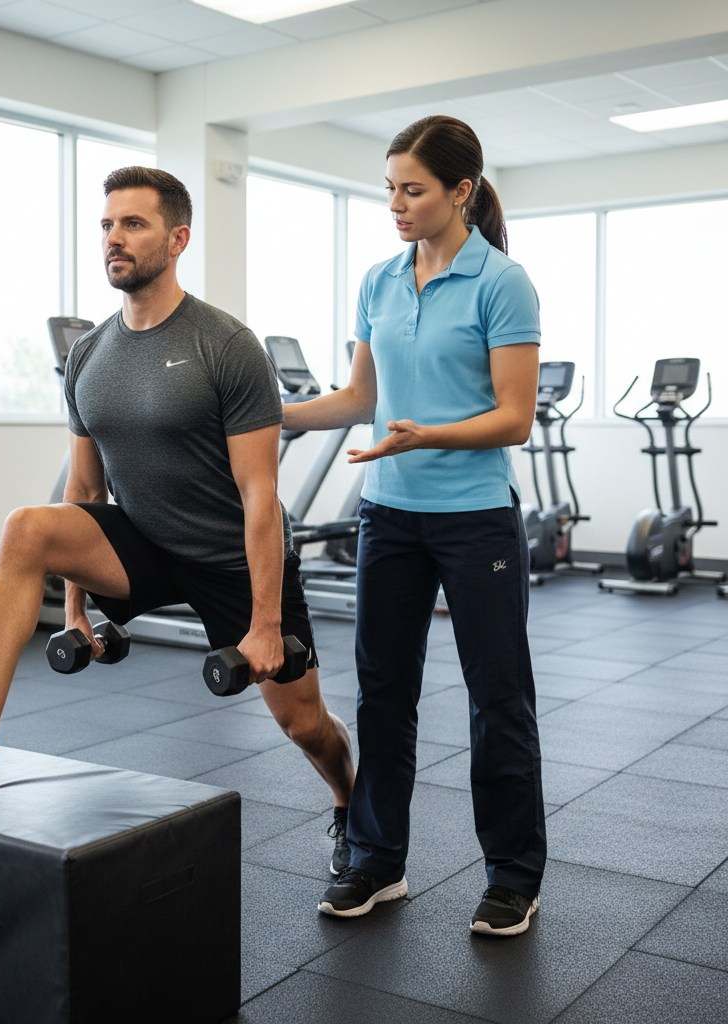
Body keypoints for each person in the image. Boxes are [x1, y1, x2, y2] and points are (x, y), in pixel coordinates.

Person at [0, 166, 356, 876]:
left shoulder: (226, 345)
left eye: (133, 225)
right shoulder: (88, 355)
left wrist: (264, 625)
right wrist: (75, 603)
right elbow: (84, 489)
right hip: (144, 543)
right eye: (107, 225)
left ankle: (353, 803)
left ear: (177, 239)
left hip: (235, 556)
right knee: (28, 527)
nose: (115, 238)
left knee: (304, 724)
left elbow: (260, 496)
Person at [285, 117, 546, 936]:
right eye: (390, 187)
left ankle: (512, 874)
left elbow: (515, 418)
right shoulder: (378, 280)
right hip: (390, 515)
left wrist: (427, 432)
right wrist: (271, 414)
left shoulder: (504, 283)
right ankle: (376, 861)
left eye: (414, 189)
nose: (396, 203)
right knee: (382, 696)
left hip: (475, 519)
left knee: (497, 699)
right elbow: (360, 399)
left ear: (460, 191)